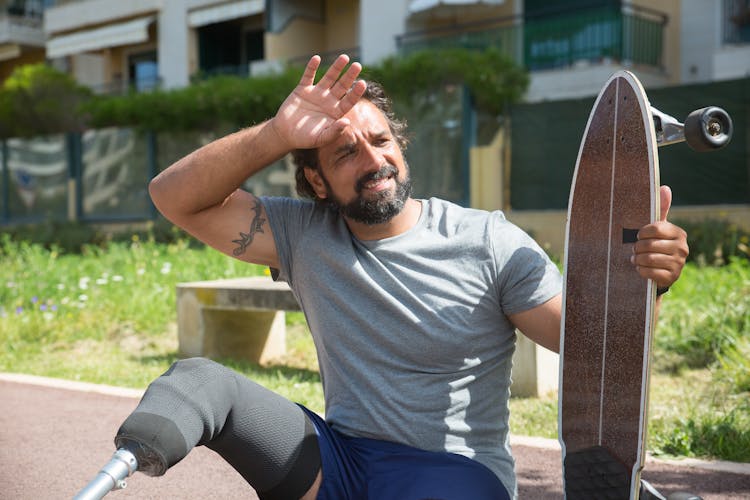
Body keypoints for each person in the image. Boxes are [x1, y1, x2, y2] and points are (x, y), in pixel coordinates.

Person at [115, 54, 689, 500]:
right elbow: (172, 198)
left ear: (400, 146)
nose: (373, 160)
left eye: (381, 140)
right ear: (317, 183)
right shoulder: (302, 234)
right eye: (343, 154)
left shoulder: (486, 241)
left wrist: (649, 285)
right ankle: (118, 472)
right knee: (200, 379)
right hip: (342, 461)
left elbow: (592, 347)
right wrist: (275, 136)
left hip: (455, 476)